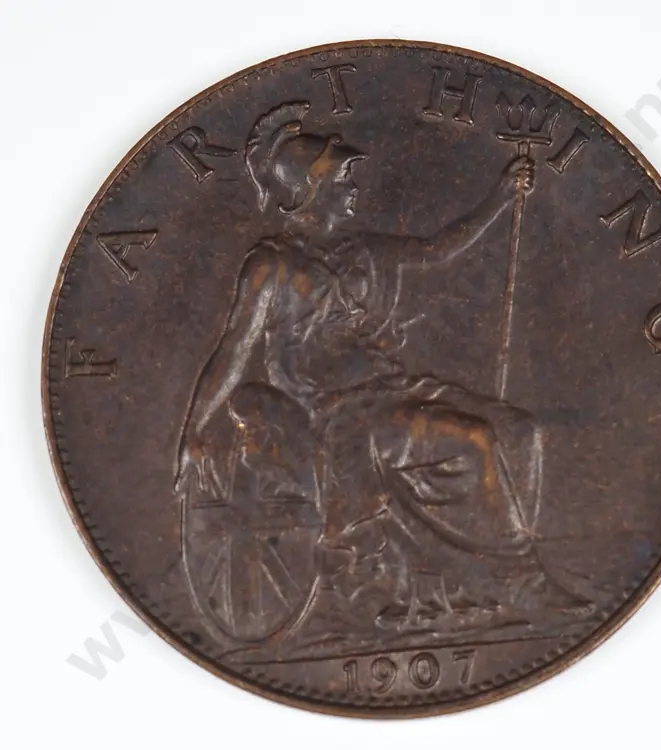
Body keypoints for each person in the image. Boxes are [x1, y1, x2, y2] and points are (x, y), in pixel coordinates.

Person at [175, 101, 587, 638]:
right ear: (310, 188)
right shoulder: (272, 264)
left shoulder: (360, 250)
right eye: (341, 179)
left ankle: (471, 584)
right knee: (474, 439)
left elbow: (436, 249)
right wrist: (194, 428)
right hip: (331, 411)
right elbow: (235, 349)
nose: (352, 189)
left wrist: (501, 198)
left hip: (391, 389)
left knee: (520, 429)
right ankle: (520, 579)